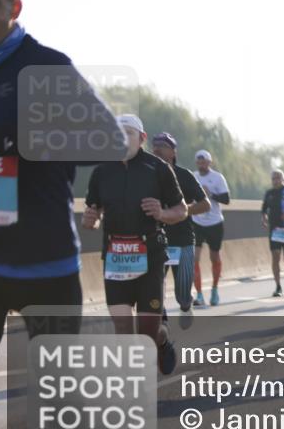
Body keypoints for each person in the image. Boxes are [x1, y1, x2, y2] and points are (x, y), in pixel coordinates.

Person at [0, 0, 126, 429]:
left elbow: (112, 141)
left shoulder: (45, 66)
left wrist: (34, 140)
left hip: (45, 261)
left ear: (13, 6)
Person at [83, 115, 187, 367]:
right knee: (123, 328)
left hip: (150, 256)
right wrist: (91, 220)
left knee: (148, 332)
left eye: (128, 132)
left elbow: (181, 210)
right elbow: (93, 215)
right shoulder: (101, 171)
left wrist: (162, 214)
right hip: (116, 257)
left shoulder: (159, 168)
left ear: (141, 138)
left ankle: (162, 343)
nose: (122, 137)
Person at [151, 134, 210, 330]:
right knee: (154, 286)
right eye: (154, 145)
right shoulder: (147, 173)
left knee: (182, 290)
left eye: (163, 145)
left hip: (182, 240)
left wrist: (182, 212)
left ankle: (186, 305)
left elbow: (205, 204)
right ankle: (161, 321)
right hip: (156, 240)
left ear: (173, 151)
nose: (157, 148)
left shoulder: (184, 175)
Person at [192, 150, 230, 307]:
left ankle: (214, 289)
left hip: (214, 222)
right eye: (198, 161)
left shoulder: (218, 178)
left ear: (209, 162)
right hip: (197, 221)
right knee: (194, 258)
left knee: (214, 257)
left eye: (204, 161)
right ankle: (199, 294)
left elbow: (226, 199)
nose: (201, 164)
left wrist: (211, 194)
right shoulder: (193, 176)